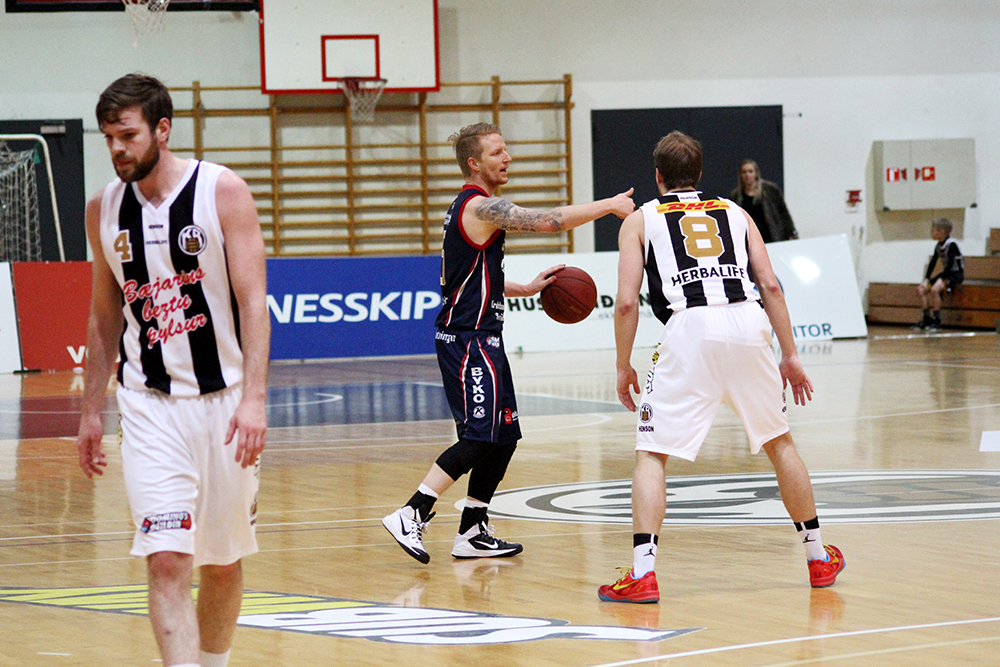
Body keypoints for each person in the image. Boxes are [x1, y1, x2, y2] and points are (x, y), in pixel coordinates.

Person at [598, 131, 844, 604]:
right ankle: (817, 557)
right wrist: (790, 355)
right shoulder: (736, 213)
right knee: (780, 442)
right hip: (749, 323)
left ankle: (643, 573)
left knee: (652, 453)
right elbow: (770, 285)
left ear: (658, 176)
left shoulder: (641, 219)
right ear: (701, 173)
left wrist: (623, 364)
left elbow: (627, 303)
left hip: (689, 329)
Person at [75, 73, 270, 667]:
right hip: (148, 405)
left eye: (127, 135)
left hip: (226, 402)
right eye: (108, 137)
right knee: (166, 557)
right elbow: (104, 317)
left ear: (162, 129)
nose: (116, 148)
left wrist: (255, 397)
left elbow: (253, 301)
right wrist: (89, 412)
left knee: (221, 560)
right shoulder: (102, 210)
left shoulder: (222, 192)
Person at [382, 122, 634, 564]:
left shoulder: (472, 210)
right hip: (467, 339)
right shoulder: (480, 206)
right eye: (498, 152)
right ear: (474, 163)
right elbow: (549, 221)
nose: (508, 158)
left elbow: (476, 276)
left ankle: (473, 530)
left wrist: (526, 287)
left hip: (484, 337)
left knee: (504, 435)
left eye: (507, 150)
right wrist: (609, 205)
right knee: (481, 436)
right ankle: (412, 511)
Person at [728, 159, 798, 243]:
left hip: (771, 235)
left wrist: (791, 232)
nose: (747, 175)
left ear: (756, 173)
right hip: (750, 237)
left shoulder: (770, 190)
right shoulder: (736, 195)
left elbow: (783, 213)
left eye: (750, 171)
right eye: (744, 172)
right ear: (740, 175)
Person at [916, 218, 964, 330]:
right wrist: (927, 278)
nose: (931, 233)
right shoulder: (938, 245)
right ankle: (926, 318)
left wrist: (941, 279)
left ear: (941, 232)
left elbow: (950, 264)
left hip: (955, 275)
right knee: (921, 290)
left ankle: (936, 320)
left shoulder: (952, 244)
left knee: (934, 290)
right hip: (945, 274)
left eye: (933, 231)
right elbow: (933, 263)